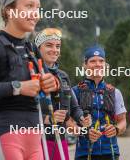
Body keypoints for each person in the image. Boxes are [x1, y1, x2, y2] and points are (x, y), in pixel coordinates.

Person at [0, 0, 58, 159]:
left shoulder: (31, 48)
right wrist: (17, 87)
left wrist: (53, 83)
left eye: (38, 8)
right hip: (4, 138)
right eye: (29, 6)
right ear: (9, 11)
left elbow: (51, 83)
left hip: (34, 142)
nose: (35, 14)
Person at [35, 28, 91, 160]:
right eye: (49, 45)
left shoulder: (63, 76)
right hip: (37, 141)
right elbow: (23, 112)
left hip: (60, 139)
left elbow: (74, 108)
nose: (54, 50)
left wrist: (82, 118)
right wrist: (49, 119)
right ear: (38, 48)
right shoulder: (30, 74)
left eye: (58, 46)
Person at [72, 44, 127, 160]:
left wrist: (116, 129)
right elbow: (69, 124)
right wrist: (83, 132)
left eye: (101, 61)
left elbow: (123, 122)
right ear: (85, 65)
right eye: (93, 61)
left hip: (110, 152)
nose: (98, 64)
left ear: (106, 65)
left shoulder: (114, 92)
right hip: (84, 153)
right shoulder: (75, 91)